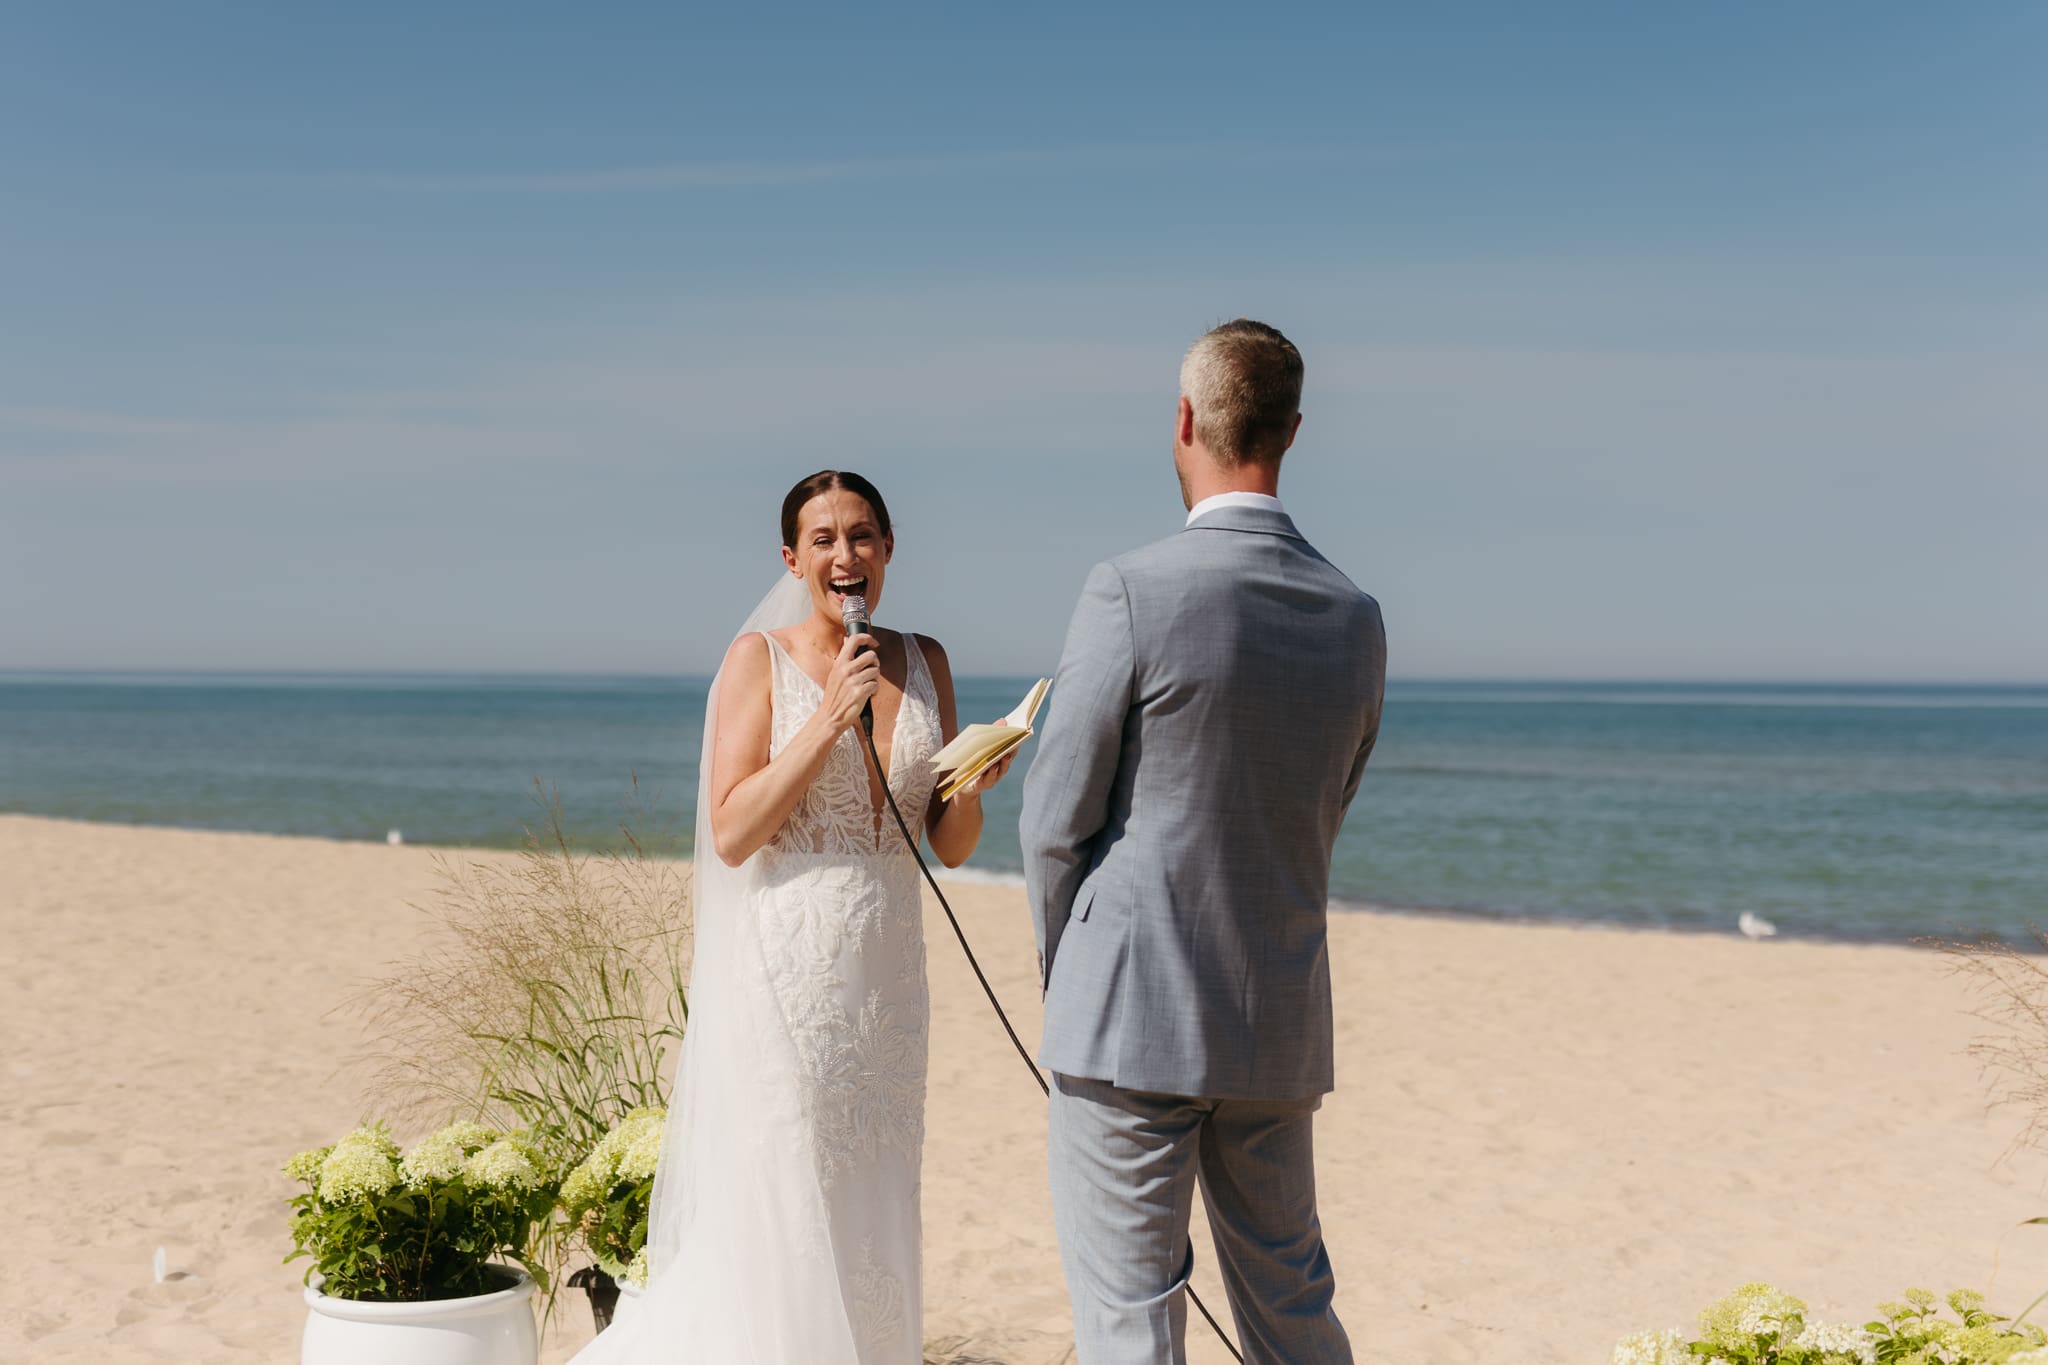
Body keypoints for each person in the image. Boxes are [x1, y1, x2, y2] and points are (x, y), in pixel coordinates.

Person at [574, 469, 1013, 1363]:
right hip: (790, 974)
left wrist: (972, 784)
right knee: (790, 1192)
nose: (844, 554)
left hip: (890, 979)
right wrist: (825, 722)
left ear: (888, 550)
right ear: (793, 558)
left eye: (861, 536)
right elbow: (732, 830)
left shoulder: (926, 660)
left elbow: (950, 844)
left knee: (876, 1186)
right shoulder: (757, 661)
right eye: (824, 539)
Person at [1020, 320, 1386, 1364]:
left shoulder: (1131, 589)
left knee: (1130, 1313)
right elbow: (1323, 806)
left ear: (1183, 420)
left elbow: (1054, 817)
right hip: (1272, 1013)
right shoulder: (1355, 615)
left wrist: (1068, 972)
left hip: (1128, 1010)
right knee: (1290, 1303)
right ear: (1292, 432)